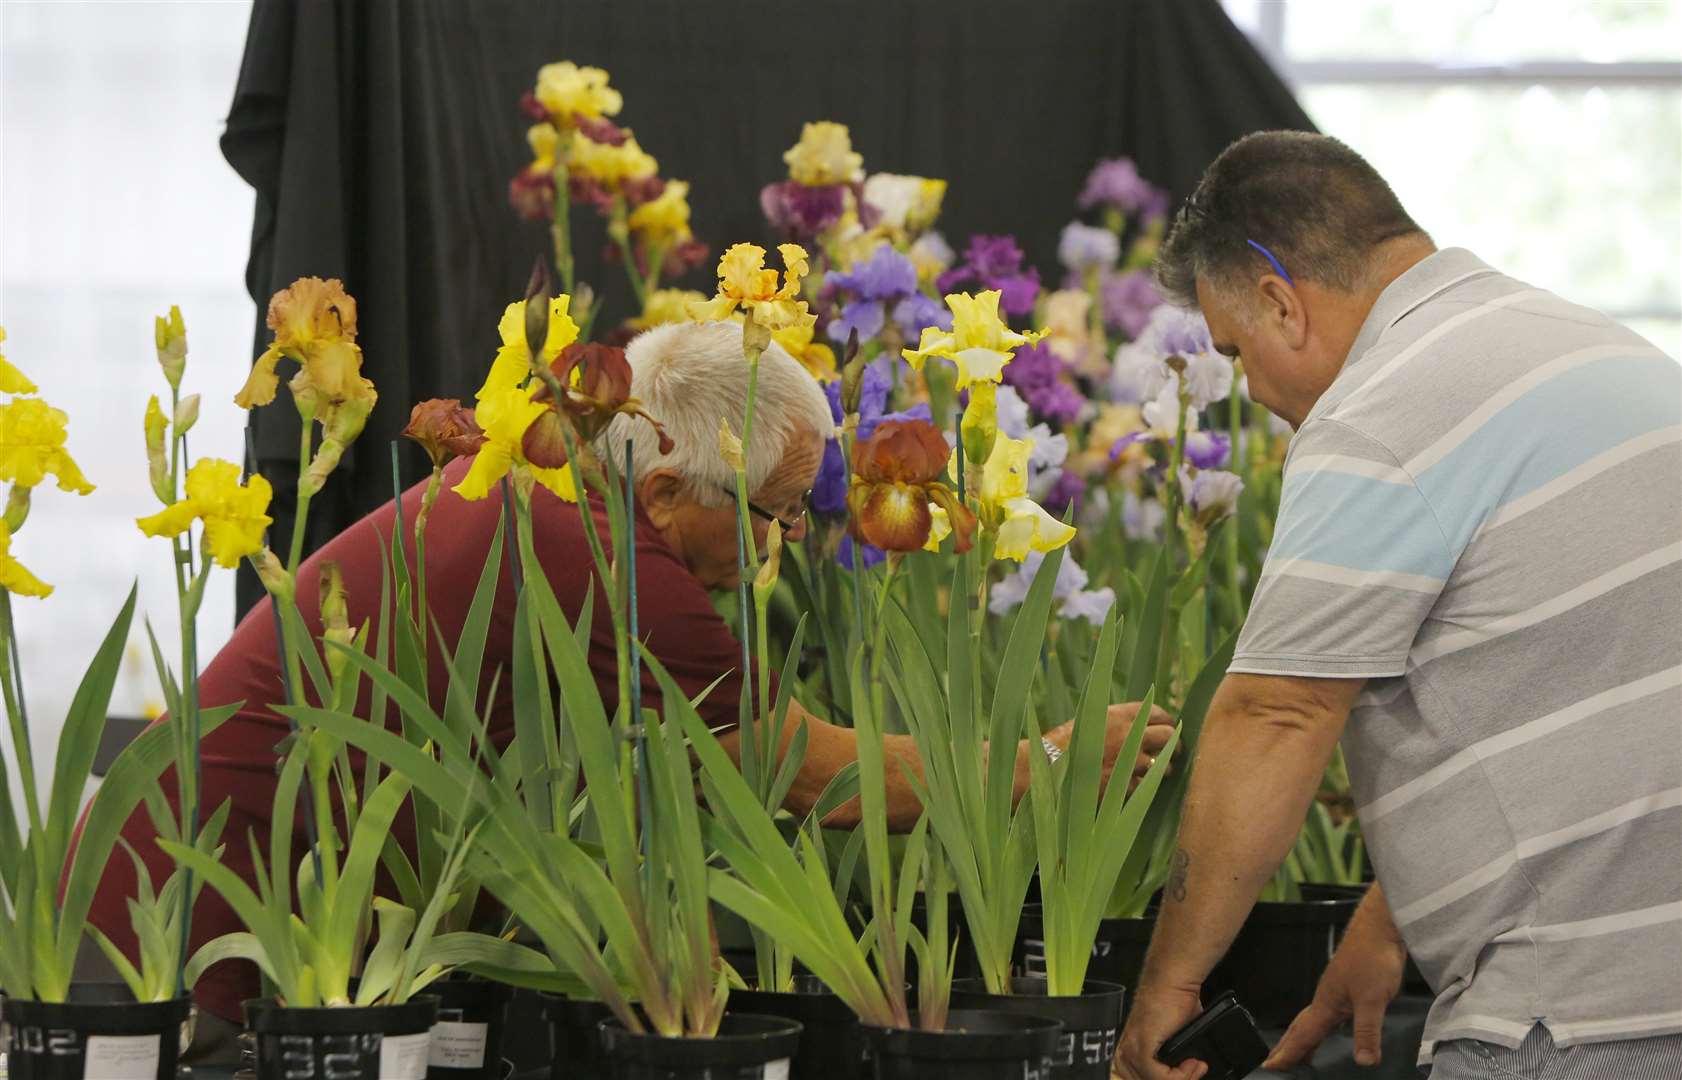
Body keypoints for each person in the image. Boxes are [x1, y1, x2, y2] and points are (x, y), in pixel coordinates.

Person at [84, 318, 1173, 1039]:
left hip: (211, 902)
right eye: (770, 513)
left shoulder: (536, 485)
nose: (781, 545)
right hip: (178, 937)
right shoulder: (608, 561)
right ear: (662, 489)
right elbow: (809, 779)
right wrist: (1051, 759)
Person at [1113, 131, 1681, 1079]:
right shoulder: (1599, 349)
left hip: (1570, 1020)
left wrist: (1169, 986)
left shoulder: (1376, 416)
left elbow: (1279, 712)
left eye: (1236, 349)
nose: (1247, 389)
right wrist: (1391, 921)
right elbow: (1564, 678)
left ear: (1278, 301)